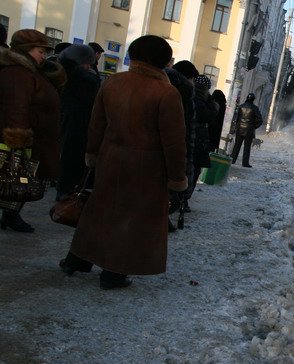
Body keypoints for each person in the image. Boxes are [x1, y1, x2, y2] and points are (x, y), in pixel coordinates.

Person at [60, 35, 187, 289]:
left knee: (99, 211)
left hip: (110, 159)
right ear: (162, 60)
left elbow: (96, 124)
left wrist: (92, 154)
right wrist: (177, 178)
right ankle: (114, 273)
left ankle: (77, 259)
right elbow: (174, 143)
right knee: (131, 219)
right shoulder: (166, 93)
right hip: (146, 168)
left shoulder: (112, 82)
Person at [0, 29, 65, 232]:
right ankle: (10, 214)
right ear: (26, 50)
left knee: (19, 179)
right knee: (14, 177)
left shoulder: (29, 71)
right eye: (40, 51)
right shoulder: (18, 73)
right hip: (24, 138)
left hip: (35, 137)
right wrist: (18, 137)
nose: (43, 56)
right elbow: (16, 107)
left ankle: (11, 213)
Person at [56, 44, 100, 198]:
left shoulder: (63, 76)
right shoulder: (86, 80)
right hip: (80, 128)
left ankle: (64, 192)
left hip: (68, 125)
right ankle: (67, 195)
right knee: (74, 164)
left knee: (67, 162)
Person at [165, 60, 196, 227]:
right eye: (192, 79)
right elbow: (182, 127)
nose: (193, 83)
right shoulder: (181, 92)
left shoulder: (165, 86)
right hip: (170, 148)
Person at [190, 74, 219, 201]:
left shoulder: (189, 96)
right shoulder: (200, 101)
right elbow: (208, 117)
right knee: (194, 170)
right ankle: (183, 199)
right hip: (196, 140)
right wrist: (214, 107)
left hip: (190, 139)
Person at [231, 92, 263, 168]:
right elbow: (260, 120)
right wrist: (254, 126)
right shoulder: (255, 108)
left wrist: (235, 127)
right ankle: (245, 163)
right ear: (253, 99)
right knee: (247, 147)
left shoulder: (241, 106)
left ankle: (232, 160)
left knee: (237, 145)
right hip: (249, 131)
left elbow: (236, 118)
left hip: (239, 129)